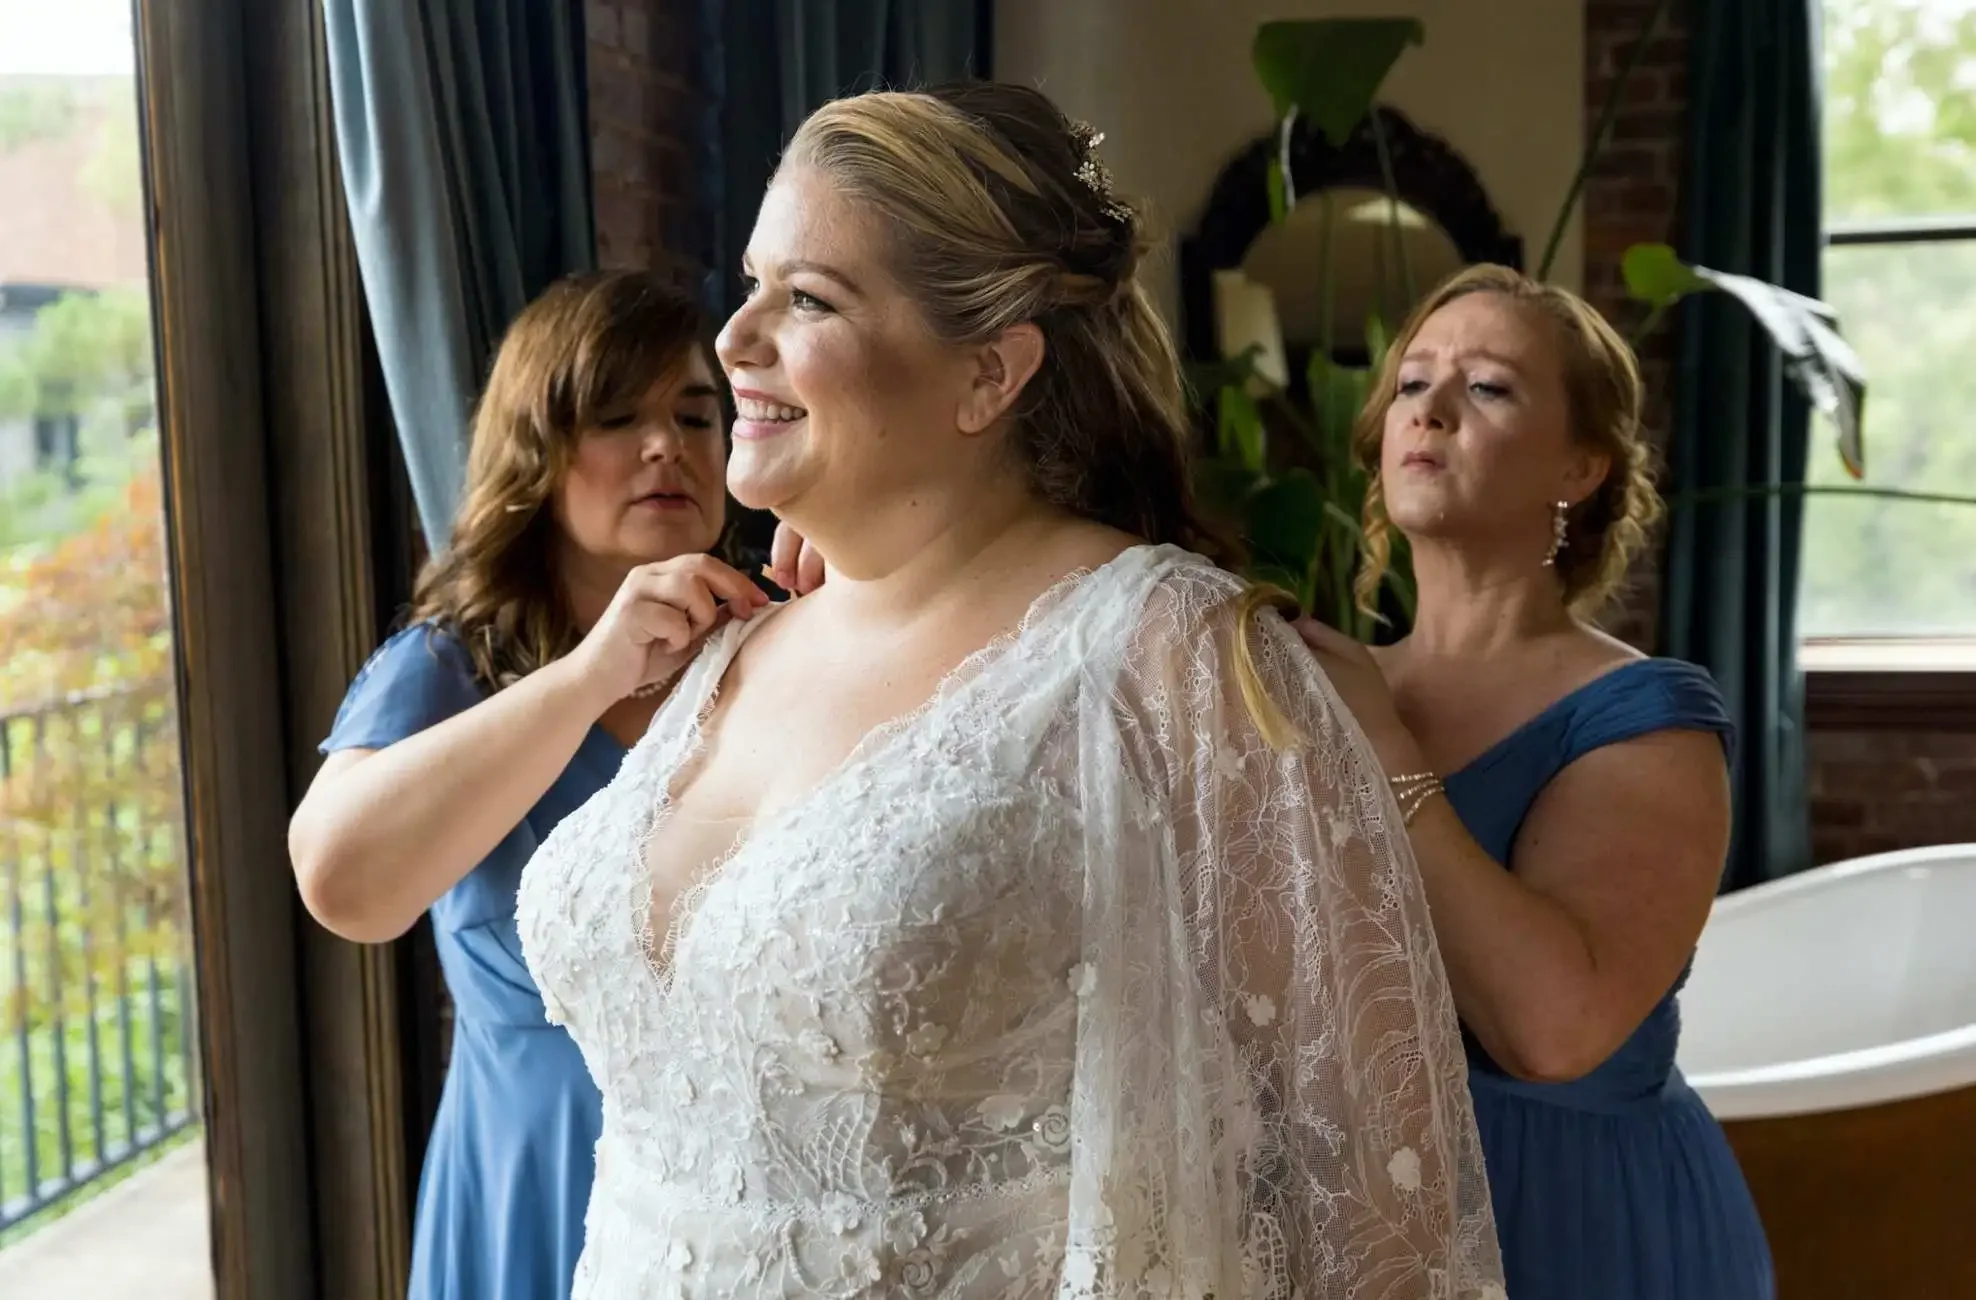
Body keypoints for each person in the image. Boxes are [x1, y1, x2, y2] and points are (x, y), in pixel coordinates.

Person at [513, 84, 1505, 1300]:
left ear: (987, 373)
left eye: (808, 298)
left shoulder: (1171, 659)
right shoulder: (731, 645)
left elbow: (1375, 1208)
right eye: (752, 282)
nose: (732, 339)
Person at [287, 270, 771, 1300]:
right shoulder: (447, 668)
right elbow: (341, 882)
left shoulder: (773, 643)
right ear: (535, 452)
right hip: (534, 1183)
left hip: (747, 1195)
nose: (667, 446)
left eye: (695, 413)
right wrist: (593, 671)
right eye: (617, 416)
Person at [1295, 265, 1775, 1300]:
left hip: (1575, 1225)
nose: (1428, 407)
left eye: (1488, 387)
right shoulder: (1311, 684)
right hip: (1356, 1224)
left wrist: (1384, 754)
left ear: (1579, 467)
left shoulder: (1646, 715)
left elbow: (1551, 1030)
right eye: (1412, 381)